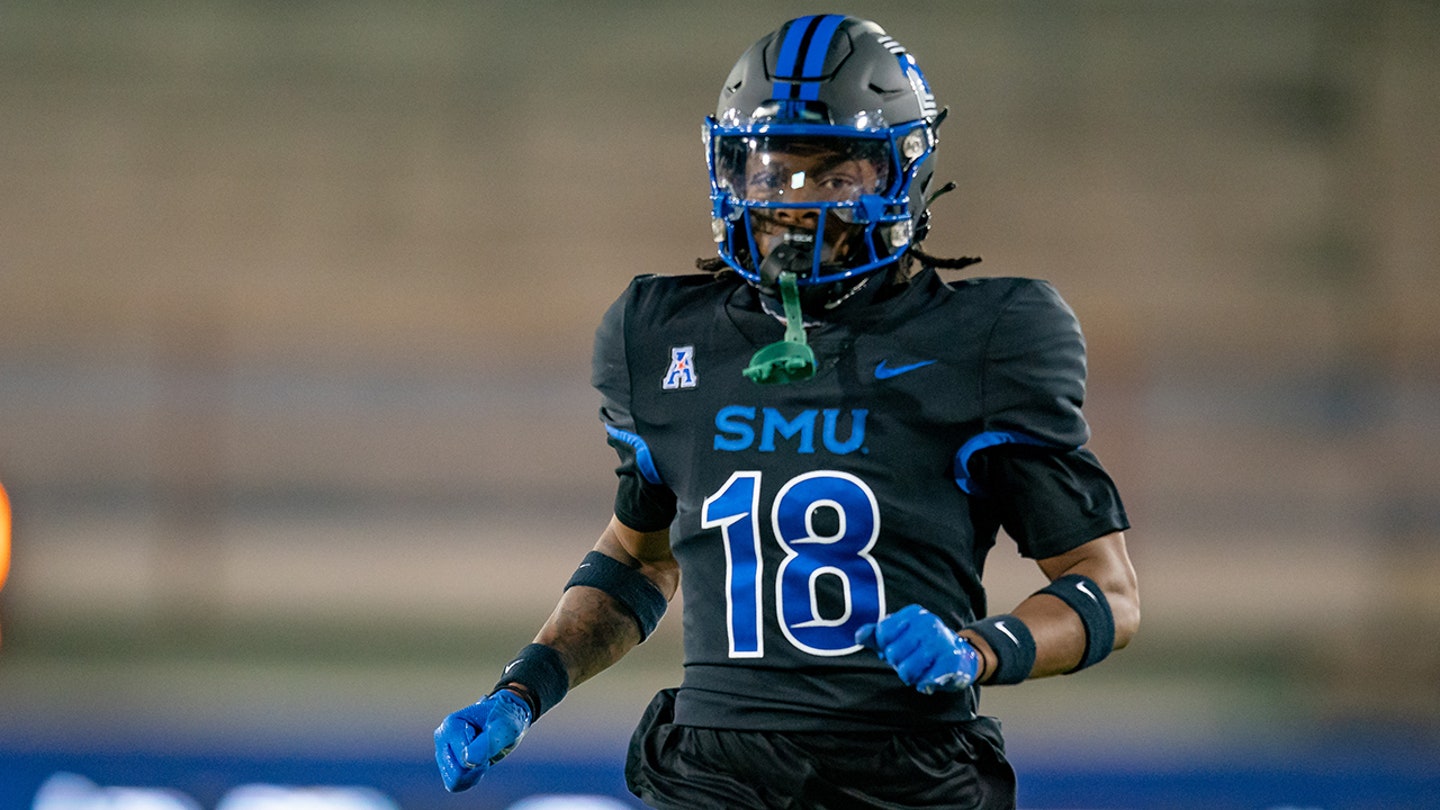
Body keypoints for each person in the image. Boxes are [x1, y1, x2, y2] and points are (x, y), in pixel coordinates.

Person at [435, 14, 1139, 809]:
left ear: (902, 173)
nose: (796, 204)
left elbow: (1105, 590)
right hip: (715, 776)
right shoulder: (664, 335)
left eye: (833, 177)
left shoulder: (986, 339)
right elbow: (639, 558)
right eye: (772, 173)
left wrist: (981, 649)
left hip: (906, 778)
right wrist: (524, 688)